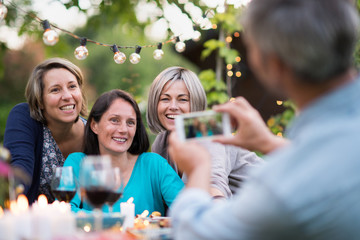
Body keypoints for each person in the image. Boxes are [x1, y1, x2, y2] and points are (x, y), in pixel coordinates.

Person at [168, 0, 360, 239]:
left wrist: (198, 168)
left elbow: (195, 233)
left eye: (250, 48)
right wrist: (269, 142)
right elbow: (333, 164)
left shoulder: (282, 190)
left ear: (275, 64)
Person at [147, 66, 263, 198]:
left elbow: (213, 186)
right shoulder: (161, 143)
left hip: (275, 201)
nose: (173, 106)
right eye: (165, 99)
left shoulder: (208, 131)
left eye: (183, 99)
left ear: (196, 102)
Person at [64, 89, 184, 215]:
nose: (123, 129)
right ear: (94, 125)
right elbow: (65, 210)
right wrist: (115, 221)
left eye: (130, 123)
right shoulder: (78, 163)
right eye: (114, 120)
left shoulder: (154, 165)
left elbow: (189, 210)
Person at [4, 58, 88, 204]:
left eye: (72, 86)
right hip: (35, 223)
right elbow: (20, 170)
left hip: (87, 223)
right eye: (55, 89)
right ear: (40, 101)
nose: (67, 96)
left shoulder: (97, 132)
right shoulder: (24, 117)